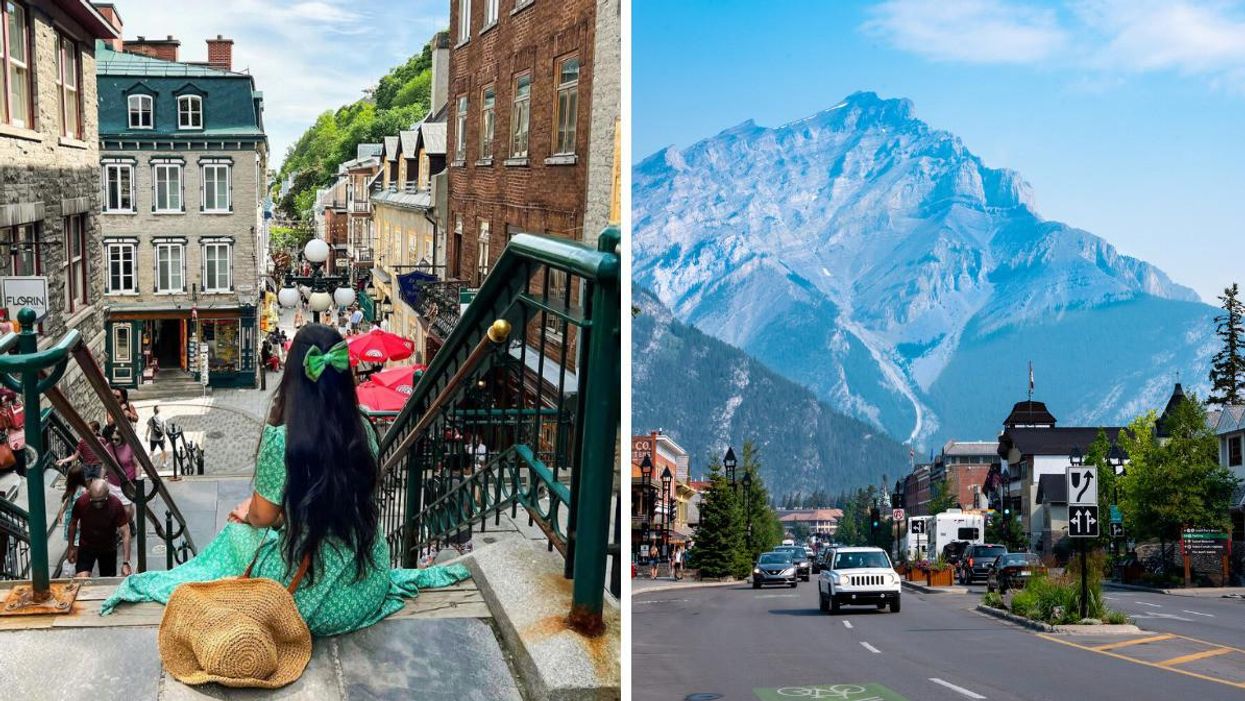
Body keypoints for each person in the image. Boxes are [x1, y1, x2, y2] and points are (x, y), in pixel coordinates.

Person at [101, 324, 470, 636]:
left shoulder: (283, 440)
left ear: (293, 376)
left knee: (235, 534)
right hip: (364, 587)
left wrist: (250, 512)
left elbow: (262, 517)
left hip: (313, 597)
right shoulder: (363, 430)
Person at [67, 479, 132, 578]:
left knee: (106, 581)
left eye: (101, 501)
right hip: (86, 546)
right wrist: (71, 547)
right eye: (94, 501)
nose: (98, 504)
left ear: (107, 494)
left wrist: (126, 562)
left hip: (108, 548)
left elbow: (126, 532)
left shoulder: (115, 504)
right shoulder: (81, 502)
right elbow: (72, 524)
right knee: (82, 578)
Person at [100, 424, 137, 522]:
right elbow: (104, 466)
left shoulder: (130, 446)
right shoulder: (108, 447)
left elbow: (137, 465)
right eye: (112, 439)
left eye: (117, 439)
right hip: (113, 484)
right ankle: (121, 529)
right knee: (114, 509)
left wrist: (138, 480)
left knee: (127, 511)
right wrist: (100, 482)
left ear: (123, 438)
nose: (114, 442)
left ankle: (130, 522)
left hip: (127, 484)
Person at [53, 463, 90, 548]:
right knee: (72, 538)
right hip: (70, 517)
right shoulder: (71, 489)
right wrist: (62, 511)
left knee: (78, 540)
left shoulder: (83, 491)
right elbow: (68, 500)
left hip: (78, 519)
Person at [146, 405, 169, 471]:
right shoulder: (162, 418)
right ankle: (164, 462)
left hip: (152, 438)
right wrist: (164, 437)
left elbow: (148, 428)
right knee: (163, 450)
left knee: (151, 451)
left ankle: (150, 465)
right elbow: (163, 429)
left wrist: (146, 436)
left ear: (154, 411)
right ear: (159, 410)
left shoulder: (151, 418)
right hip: (160, 438)